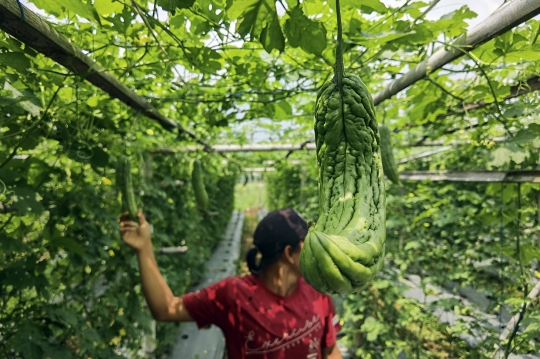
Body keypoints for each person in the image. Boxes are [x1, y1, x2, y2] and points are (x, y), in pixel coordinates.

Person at [119, 207, 343, 359]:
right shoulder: (234, 295)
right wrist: (144, 248)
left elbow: (330, 348)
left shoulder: (318, 293)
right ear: (289, 253)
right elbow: (166, 309)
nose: (317, 250)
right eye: (309, 243)